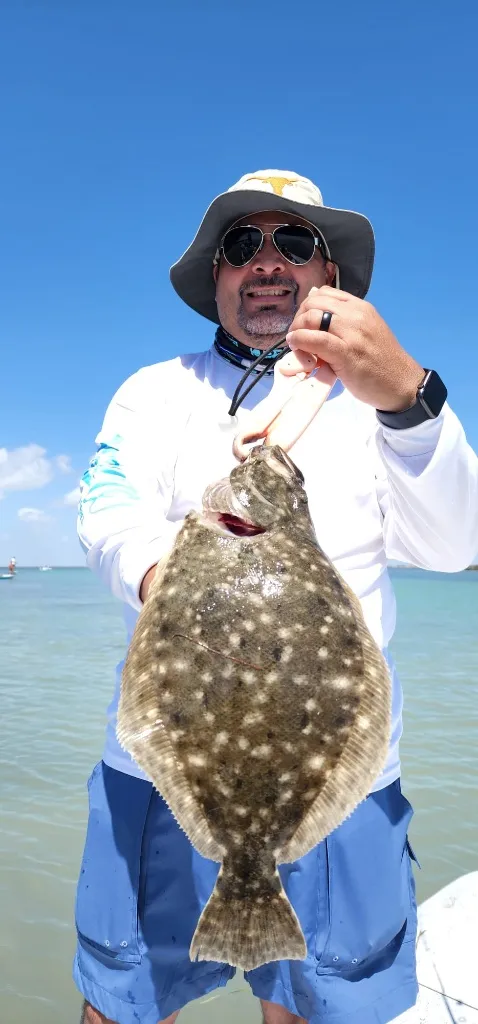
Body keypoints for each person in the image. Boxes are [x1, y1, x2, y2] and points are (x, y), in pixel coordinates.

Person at [74, 170, 478, 1024]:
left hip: (342, 775)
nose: (266, 262)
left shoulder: (383, 406)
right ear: (216, 275)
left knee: (321, 1011)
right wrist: (173, 579)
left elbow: (455, 546)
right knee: (122, 1000)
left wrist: (411, 398)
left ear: (327, 276)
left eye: (293, 244)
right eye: (241, 246)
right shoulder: (154, 392)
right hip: (160, 767)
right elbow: (107, 512)